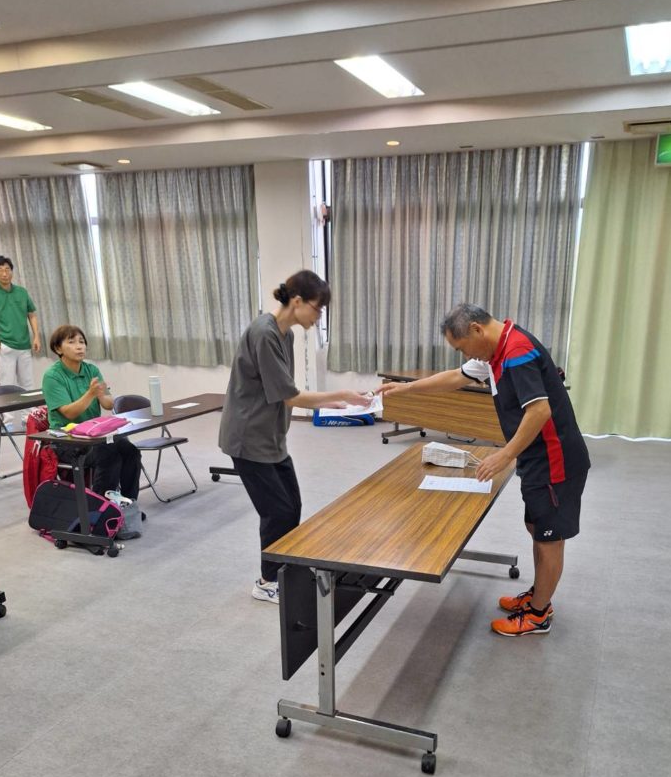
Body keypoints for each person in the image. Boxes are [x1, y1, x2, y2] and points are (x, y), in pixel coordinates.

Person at [377, 304, 590, 637]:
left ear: (477, 329)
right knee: (536, 527)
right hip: (537, 456)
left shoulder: (516, 352)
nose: (464, 355)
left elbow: (539, 411)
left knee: (549, 538)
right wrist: (405, 389)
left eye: (462, 347)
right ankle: (539, 596)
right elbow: (455, 377)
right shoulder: (495, 351)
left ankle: (538, 615)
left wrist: (505, 455)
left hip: (555, 459)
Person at [219, 270, 371, 604]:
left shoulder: (284, 334)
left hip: (271, 436)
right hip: (248, 438)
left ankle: (285, 571)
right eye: (318, 308)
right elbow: (290, 396)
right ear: (298, 301)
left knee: (292, 506)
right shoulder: (264, 333)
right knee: (277, 511)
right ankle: (267, 581)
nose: (319, 317)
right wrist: (339, 395)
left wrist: (334, 401)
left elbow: (285, 391)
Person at [42, 324, 141, 503]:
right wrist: (90, 393)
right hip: (66, 440)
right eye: (71, 342)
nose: (79, 346)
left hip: (94, 435)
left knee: (130, 451)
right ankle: (101, 509)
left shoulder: (91, 370)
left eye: (82, 342)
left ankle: (129, 503)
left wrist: (102, 395)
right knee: (109, 455)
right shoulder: (52, 376)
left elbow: (108, 403)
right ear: (58, 349)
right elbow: (69, 413)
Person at [0, 255, 41, 430]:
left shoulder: (22, 292)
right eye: (0, 270)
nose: (4, 273)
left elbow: (31, 314)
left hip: (24, 344)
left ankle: (28, 418)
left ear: (12, 271)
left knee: (27, 383)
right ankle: (8, 421)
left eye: (7, 269)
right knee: (6, 385)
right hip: (4, 346)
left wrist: (36, 336)